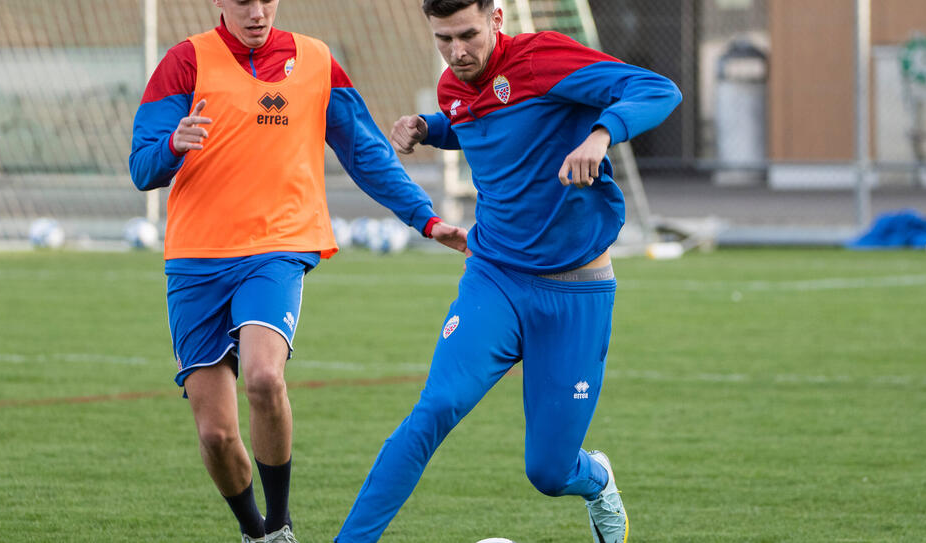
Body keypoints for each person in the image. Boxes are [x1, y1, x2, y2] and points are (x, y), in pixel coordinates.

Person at [336, 1, 681, 541]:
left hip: (575, 292)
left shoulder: (544, 58)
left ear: (497, 19)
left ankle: (597, 480)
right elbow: (479, 125)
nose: (457, 52)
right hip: (495, 275)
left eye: (468, 35)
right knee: (436, 408)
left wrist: (600, 134)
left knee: (549, 472)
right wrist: (430, 127)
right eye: (443, 39)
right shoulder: (454, 86)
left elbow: (661, 91)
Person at [128, 1, 467, 542]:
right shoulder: (185, 62)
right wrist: (172, 145)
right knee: (216, 433)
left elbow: (368, 153)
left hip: (278, 247)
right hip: (195, 260)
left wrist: (426, 220)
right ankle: (256, 532)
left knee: (264, 377)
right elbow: (142, 166)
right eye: (244, 1)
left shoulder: (314, 60)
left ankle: (282, 523)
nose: (258, 11)